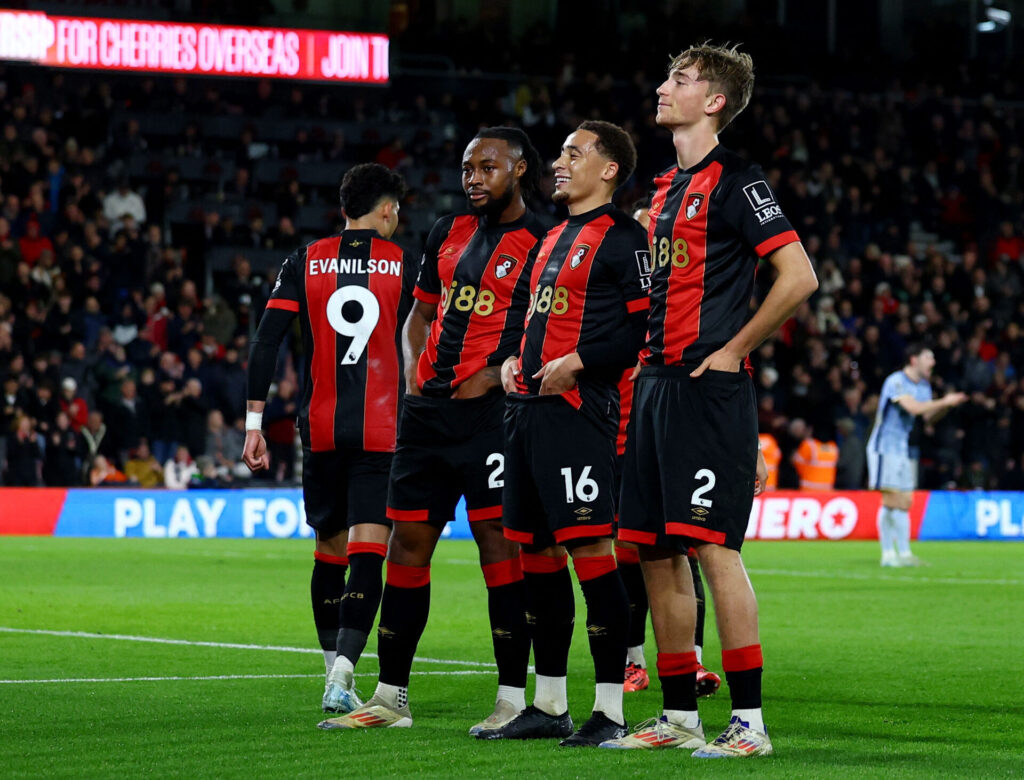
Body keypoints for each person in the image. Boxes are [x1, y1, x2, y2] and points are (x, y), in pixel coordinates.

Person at [606, 43, 818, 756]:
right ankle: (677, 718)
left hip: (707, 389)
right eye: (668, 75)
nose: (665, 87)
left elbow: (797, 276)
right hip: (655, 387)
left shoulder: (738, 181)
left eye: (682, 80)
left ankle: (750, 724)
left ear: (716, 101)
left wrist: (733, 349)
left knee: (713, 550)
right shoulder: (663, 189)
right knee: (656, 553)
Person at [321, 128, 546, 734]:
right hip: (427, 417)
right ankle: (390, 696)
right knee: (407, 547)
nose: (473, 177)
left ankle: (510, 697)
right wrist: (416, 374)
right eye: (467, 167)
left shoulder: (543, 241)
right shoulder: (446, 231)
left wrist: (498, 376)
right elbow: (419, 312)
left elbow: (548, 327)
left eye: (488, 166)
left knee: (500, 552)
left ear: (520, 169)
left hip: (493, 418)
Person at [476, 120, 650, 747]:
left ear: (608, 169)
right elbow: (526, 317)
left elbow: (641, 331)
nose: (558, 162)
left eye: (574, 154)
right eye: (560, 153)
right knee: (536, 557)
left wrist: (578, 362)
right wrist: (503, 359)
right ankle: (548, 703)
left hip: (578, 412)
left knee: (590, 557)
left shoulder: (626, 239)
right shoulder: (551, 238)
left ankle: (610, 710)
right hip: (525, 413)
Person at [242, 163, 416, 715]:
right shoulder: (406, 263)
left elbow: (266, 341)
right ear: (387, 209)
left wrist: (254, 425)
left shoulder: (304, 259)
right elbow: (425, 341)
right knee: (371, 550)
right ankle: (345, 669)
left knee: (329, 553)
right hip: (383, 430)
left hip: (319, 431)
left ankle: (329, 672)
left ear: (345, 208)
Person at [867, 344, 967, 567]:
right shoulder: (896, 381)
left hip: (903, 448)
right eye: (928, 358)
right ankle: (888, 555)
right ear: (914, 360)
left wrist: (947, 406)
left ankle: (904, 553)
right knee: (891, 499)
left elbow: (927, 417)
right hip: (884, 446)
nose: (933, 362)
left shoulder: (923, 386)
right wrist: (944, 401)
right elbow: (912, 408)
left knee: (905, 501)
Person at [791, 419, 839, 490]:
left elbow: (796, 462)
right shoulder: (833, 448)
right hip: (827, 490)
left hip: (808, 489)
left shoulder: (809, 445)